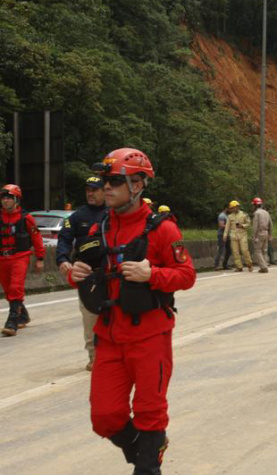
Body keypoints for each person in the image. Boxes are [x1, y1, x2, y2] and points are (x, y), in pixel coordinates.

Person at [68, 148, 196, 474]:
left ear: (137, 184)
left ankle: (148, 463)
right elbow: (91, 271)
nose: (104, 187)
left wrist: (152, 274)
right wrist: (77, 273)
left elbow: (186, 275)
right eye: (103, 181)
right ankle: (147, 449)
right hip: (109, 335)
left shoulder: (162, 229)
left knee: (149, 410)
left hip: (149, 335)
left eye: (113, 181)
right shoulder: (101, 227)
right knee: (104, 417)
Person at [56, 176, 106, 368]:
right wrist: (62, 259)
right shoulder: (77, 216)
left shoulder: (113, 213)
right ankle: (94, 357)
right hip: (86, 274)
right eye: (88, 190)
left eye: (94, 189)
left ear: (105, 190)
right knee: (89, 317)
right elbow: (64, 239)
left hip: (110, 271)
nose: (90, 193)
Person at [0, 184, 45, 337]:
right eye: (3, 198)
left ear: (16, 200)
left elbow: (36, 238)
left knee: (15, 287)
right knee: (8, 290)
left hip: (20, 257)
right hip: (2, 258)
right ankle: (23, 315)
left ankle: (12, 322)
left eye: (9, 198)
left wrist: (40, 258)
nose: (5, 201)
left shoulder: (26, 218)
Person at [223, 200, 253, 272]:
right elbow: (227, 226)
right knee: (235, 252)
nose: (232, 209)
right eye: (231, 208)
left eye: (233, 208)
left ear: (237, 207)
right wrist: (225, 235)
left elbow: (249, 224)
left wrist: (242, 225)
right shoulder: (230, 216)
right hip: (233, 236)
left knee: (244, 250)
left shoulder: (244, 214)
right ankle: (239, 267)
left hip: (242, 235)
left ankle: (249, 264)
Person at [251, 197, 272, 273]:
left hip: (259, 233)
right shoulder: (266, 212)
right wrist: (270, 234)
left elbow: (255, 226)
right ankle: (265, 265)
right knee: (264, 250)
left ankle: (263, 267)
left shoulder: (256, 213)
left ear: (255, 205)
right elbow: (270, 224)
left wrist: (254, 236)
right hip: (266, 232)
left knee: (258, 250)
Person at [214, 205, 232, 270]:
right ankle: (216, 265)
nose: (231, 210)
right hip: (221, 235)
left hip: (228, 235)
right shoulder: (221, 216)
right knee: (221, 250)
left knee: (229, 251)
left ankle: (225, 264)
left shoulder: (228, 216)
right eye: (230, 209)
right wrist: (230, 226)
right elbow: (221, 225)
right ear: (226, 208)